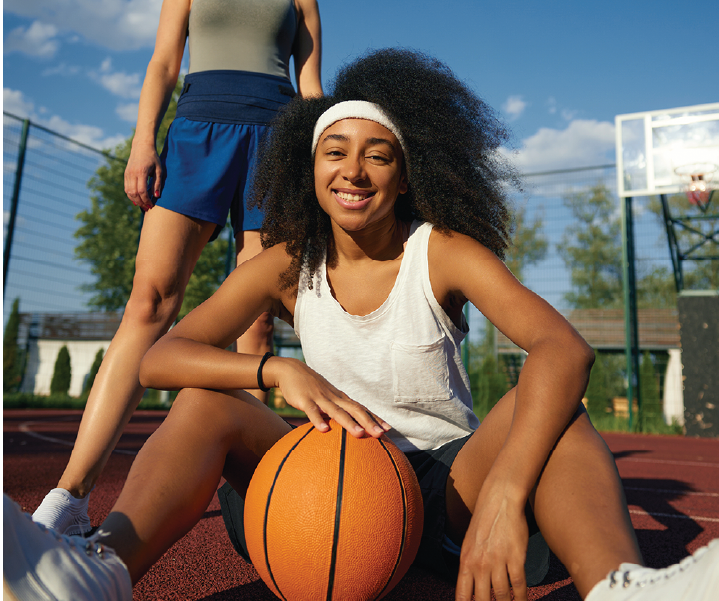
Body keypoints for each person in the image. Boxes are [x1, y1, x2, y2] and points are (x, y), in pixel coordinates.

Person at [5, 49, 718, 601]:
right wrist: (275, 369)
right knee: (203, 402)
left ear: (405, 174)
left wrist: (504, 491)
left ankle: (620, 584)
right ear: (307, 167)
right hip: (319, 479)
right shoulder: (287, 262)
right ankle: (102, 573)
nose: (355, 170)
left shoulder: (439, 250)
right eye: (334, 151)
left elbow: (561, 347)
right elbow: (161, 356)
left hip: (446, 488)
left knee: (560, 409)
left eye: (378, 154)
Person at [30, 0, 323, 538]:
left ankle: (251, 507)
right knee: (149, 303)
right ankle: (68, 496)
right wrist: (144, 141)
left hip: (278, 140)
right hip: (198, 130)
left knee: (256, 320)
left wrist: (320, 164)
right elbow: (164, 63)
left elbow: (311, 88)